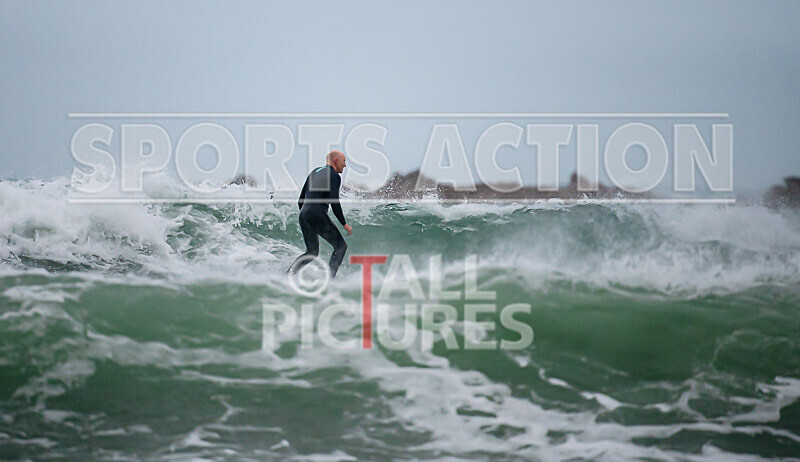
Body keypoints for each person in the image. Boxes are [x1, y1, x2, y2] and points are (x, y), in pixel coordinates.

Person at [288, 150, 353, 278]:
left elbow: (301, 199)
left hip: (304, 214)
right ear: (335, 161)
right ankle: (329, 281)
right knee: (341, 247)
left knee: (311, 252)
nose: (345, 165)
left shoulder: (314, 172)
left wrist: (307, 215)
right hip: (316, 213)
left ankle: (287, 276)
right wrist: (344, 224)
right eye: (343, 161)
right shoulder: (334, 176)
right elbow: (334, 201)